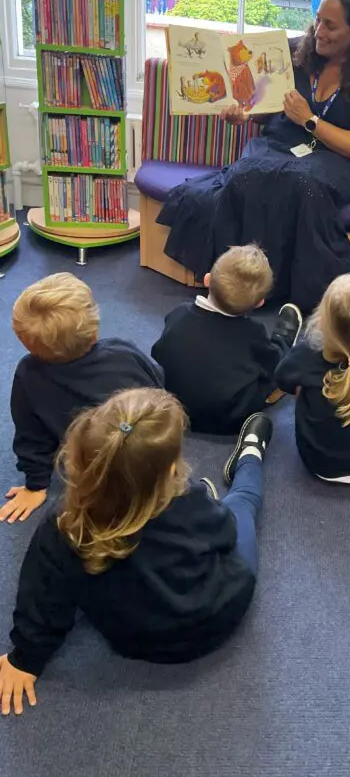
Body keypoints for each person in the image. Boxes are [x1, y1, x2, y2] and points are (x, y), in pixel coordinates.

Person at [0, 388, 273, 715]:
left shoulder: (67, 526)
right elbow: (225, 532)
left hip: (138, 640)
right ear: (170, 471)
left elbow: (41, 600)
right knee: (241, 503)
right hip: (221, 612)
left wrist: (25, 660)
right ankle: (251, 454)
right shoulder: (188, 498)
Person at [157, 0, 350, 311]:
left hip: (338, 158)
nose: (319, 31)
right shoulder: (295, 51)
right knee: (246, 173)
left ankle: (292, 292)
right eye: (318, 19)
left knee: (302, 183)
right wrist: (244, 114)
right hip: (282, 143)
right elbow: (266, 107)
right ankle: (237, 283)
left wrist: (309, 120)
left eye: (331, 25)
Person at [2, 273, 163, 525]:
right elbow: (158, 389)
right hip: (141, 451)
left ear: (26, 344)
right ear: (93, 334)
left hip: (85, 464)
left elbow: (30, 435)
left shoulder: (28, 374)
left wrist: (36, 486)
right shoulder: (124, 352)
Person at [151, 244, 303, 434]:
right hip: (230, 418)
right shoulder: (252, 332)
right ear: (259, 303)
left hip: (176, 408)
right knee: (275, 363)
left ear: (207, 279)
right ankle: (284, 340)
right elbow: (270, 366)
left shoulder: (179, 313)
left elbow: (158, 352)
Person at [275, 273, 350, 483]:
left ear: (322, 322)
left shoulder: (308, 354)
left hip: (321, 465)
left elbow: (282, 379)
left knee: (304, 385)